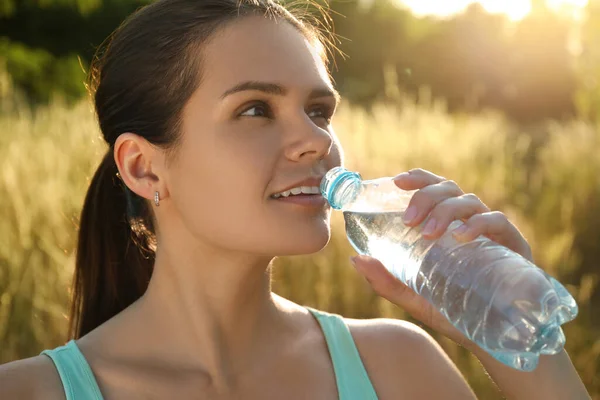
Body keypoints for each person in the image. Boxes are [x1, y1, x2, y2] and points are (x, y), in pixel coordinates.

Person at [0, 0, 591, 398]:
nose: (317, 141)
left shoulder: (397, 368)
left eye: (319, 110)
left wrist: (516, 335)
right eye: (254, 109)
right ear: (143, 167)